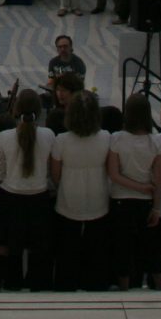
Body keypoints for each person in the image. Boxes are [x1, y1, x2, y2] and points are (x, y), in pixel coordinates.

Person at [0, 87, 55, 290]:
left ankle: (9, 283)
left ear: (16, 110)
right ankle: (38, 285)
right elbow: (50, 170)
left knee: (7, 244)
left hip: (10, 197)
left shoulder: (3, 137)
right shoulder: (49, 135)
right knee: (39, 246)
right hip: (39, 198)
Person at [49, 90, 110, 291]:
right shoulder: (106, 138)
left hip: (68, 202)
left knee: (67, 254)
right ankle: (96, 287)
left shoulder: (61, 140)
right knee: (96, 254)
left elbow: (55, 175)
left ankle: (66, 288)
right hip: (98, 201)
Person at [107, 93, 161, 291]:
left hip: (120, 202)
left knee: (123, 249)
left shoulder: (116, 139)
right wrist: (156, 208)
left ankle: (124, 291)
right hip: (146, 203)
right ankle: (160, 288)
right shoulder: (156, 142)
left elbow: (114, 175)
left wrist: (136, 187)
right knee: (151, 249)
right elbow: (158, 180)